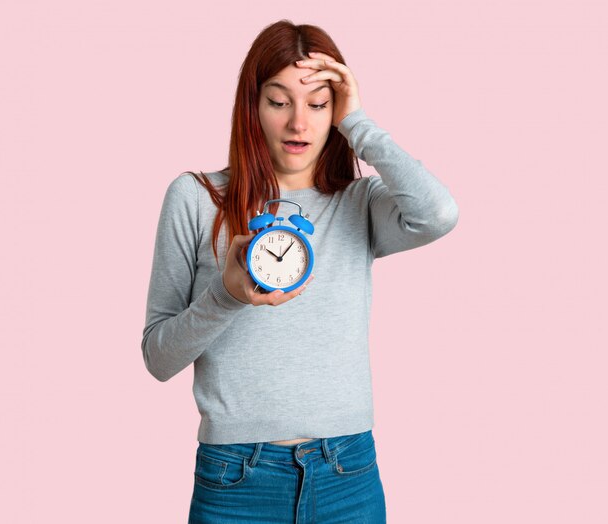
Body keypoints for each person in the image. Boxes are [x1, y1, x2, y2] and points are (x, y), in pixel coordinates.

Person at [141, 19, 459, 523]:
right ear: (253, 105)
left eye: (317, 104)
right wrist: (226, 295)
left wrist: (360, 125)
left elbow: (438, 214)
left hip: (347, 472)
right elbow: (157, 358)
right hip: (236, 478)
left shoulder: (361, 202)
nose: (298, 124)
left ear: (335, 111)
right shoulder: (197, 198)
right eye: (278, 100)